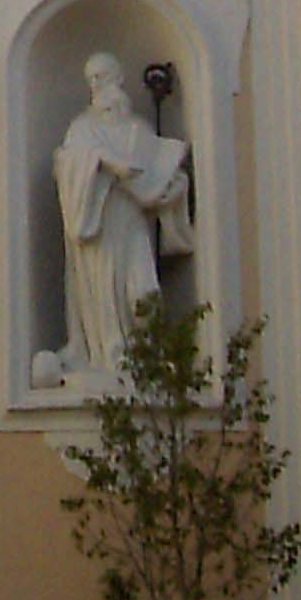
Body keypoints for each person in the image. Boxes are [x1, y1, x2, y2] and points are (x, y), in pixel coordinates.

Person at [53, 51, 193, 375]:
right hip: (98, 225)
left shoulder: (138, 129)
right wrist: (104, 160)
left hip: (131, 220)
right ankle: (112, 356)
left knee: (142, 287)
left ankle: (148, 352)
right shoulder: (83, 128)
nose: (96, 84)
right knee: (105, 290)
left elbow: (157, 171)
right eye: (91, 79)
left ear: (118, 78)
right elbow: (67, 162)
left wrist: (173, 187)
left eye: (101, 76)